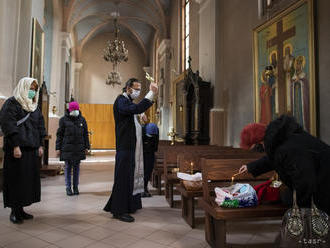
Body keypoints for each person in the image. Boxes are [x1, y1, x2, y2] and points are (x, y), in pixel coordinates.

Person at [239, 115, 330, 215]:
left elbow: (305, 183)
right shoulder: (284, 139)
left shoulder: (288, 148)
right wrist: (251, 167)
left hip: (324, 190)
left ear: (260, 143)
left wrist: (287, 197)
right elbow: (274, 158)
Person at [104, 78, 158, 223]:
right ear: (128, 88)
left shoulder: (127, 101)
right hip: (124, 146)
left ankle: (130, 204)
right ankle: (118, 210)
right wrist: (150, 94)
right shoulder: (121, 100)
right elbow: (134, 109)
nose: (138, 91)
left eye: (140, 89)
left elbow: (134, 112)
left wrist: (139, 115)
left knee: (130, 177)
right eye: (136, 88)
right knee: (122, 178)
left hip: (131, 146)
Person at [0, 77, 46, 224]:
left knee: (27, 181)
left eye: (35, 89)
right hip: (17, 150)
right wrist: (15, 145)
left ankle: (21, 209)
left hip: (31, 149)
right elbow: (9, 125)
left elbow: (40, 127)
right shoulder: (12, 103)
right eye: (30, 88)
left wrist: (40, 145)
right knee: (15, 180)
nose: (32, 91)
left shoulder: (34, 107)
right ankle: (14, 211)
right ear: (23, 87)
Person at [56, 101, 90, 196]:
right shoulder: (63, 120)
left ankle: (75, 187)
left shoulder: (82, 120)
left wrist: (87, 146)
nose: (75, 111)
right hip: (67, 148)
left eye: (77, 109)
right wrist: (58, 148)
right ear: (70, 110)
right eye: (74, 109)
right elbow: (59, 135)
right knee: (67, 168)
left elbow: (85, 134)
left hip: (78, 148)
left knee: (76, 169)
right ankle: (68, 187)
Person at [141, 115, 159, 198]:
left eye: (145, 117)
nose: (143, 118)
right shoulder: (141, 128)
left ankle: (144, 187)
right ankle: (142, 188)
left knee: (147, 171)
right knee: (143, 171)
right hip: (142, 153)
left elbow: (155, 144)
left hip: (149, 153)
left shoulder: (152, 126)